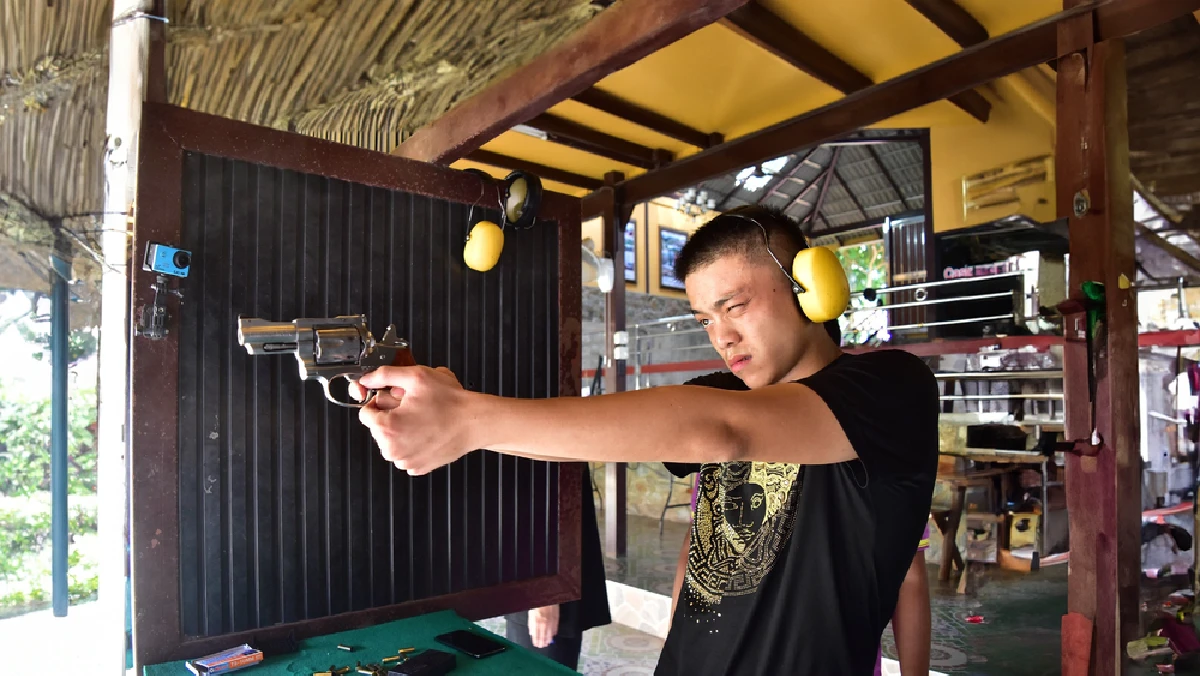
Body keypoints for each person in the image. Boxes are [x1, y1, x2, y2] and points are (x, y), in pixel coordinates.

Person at [354, 205, 939, 674]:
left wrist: (468, 419)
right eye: (705, 319)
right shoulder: (720, 390)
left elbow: (724, 432)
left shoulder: (891, 387)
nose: (722, 336)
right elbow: (584, 441)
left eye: (734, 306)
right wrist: (466, 425)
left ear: (812, 288)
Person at [503, 465, 611, 670]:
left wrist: (544, 594)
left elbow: (549, 485)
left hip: (543, 570)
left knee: (539, 663)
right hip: (530, 566)